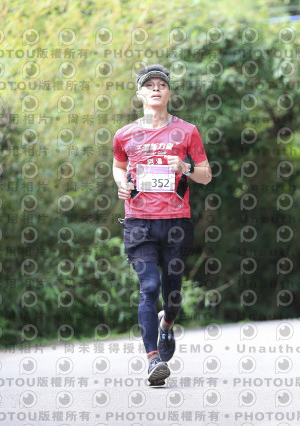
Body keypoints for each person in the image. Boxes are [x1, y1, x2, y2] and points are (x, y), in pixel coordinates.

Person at [112, 64, 211, 386]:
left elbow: (206, 175)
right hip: (139, 222)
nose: (156, 89)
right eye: (149, 85)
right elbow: (118, 166)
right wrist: (122, 184)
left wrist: (185, 167)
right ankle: (153, 360)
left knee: (172, 294)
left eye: (161, 85)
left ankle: (167, 323)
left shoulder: (187, 131)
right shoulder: (124, 134)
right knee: (149, 287)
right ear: (139, 93)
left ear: (169, 92)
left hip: (176, 223)